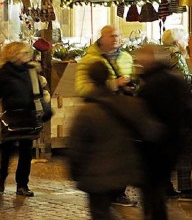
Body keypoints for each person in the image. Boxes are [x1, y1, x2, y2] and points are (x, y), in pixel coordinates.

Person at [69, 61, 163, 220]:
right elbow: (152, 131)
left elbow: (76, 146)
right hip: (126, 170)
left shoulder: (86, 111)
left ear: (90, 79)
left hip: (96, 175)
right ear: (108, 77)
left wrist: (75, 172)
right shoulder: (129, 104)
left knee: (100, 213)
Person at [134, 44, 192, 213]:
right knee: (156, 197)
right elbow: (186, 106)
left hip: (154, 145)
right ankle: (181, 188)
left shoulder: (146, 86)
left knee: (153, 197)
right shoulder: (174, 79)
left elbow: (142, 116)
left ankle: (168, 192)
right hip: (173, 140)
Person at [0, 41, 42, 198]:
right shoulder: (1, 73)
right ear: (13, 55)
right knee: (6, 151)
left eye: (28, 53)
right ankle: (1, 180)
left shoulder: (31, 71)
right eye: (24, 53)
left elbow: (38, 92)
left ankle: (22, 185)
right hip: (10, 116)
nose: (27, 56)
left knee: (26, 151)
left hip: (28, 115)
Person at [76, 25, 134, 96]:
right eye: (111, 36)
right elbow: (82, 89)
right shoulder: (88, 60)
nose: (115, 39)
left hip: (123, 103)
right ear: (101, 39)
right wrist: (113, 84)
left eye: (117, 36)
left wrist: (130, 86)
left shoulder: (127, 57)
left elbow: (134, 79)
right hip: (101, 104)